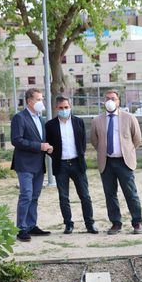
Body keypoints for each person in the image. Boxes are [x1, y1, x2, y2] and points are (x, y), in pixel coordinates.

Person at [90, 89, 142, 235]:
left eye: (113, 98)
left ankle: (137, 222)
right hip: (106, 162)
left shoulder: (129, 117)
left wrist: (127, 151)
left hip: (124, 162)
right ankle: (116, 222)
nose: (110, 101)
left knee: (130, 193)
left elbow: (137, 139)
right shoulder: (97, 120)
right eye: (107, 98)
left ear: (119, 101)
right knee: (110, 194)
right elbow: (95, 141)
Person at [45, 96, 98, 235]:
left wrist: (79, 156)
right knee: (64, 197)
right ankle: (68, 224)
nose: (64, 110)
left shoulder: (78, 122)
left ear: (70, 107)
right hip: (61, 165)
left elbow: (82, 143)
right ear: (56, 108)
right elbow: (49, 146)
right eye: (61, 108)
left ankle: (90, 224)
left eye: (66, 107)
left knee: (85, 196)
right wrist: (55, 156)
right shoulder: (50, 125)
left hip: (77, 164)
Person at [11, 88, 53, 242]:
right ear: (29, 101)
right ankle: (21, 228)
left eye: (42, 99)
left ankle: (31, 225)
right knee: (26, 195)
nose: (41, 102)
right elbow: (16, 140)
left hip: (38, 164)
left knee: (35, 196)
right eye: (39, 99)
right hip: (24, 164)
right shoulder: (19, 118)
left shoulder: (40, 119)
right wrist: (39, 146)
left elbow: (42, 140)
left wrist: (48, 147)